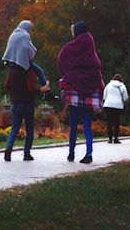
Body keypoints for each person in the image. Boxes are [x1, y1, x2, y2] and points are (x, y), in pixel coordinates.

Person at [57, 21, 104, 164]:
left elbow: (60, 60)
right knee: (87, 127)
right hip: (90, 95)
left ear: (76, 31)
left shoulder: (70, 48)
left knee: (73, 127)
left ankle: (71, 153)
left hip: (74, 93)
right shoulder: (91, 49)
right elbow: (97, 68)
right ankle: (89, 154)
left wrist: (67, 76)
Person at [3, 62, 50, 161]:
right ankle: (26, 153)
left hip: (15, 102)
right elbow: (30, 87)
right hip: (27, 103)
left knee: (14, 128)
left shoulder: (13, 69)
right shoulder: (29, 69)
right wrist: (41, 90)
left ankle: (8, 148)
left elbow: (6, 85)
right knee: (29, 129)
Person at [2, 20, 58, 101]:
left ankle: (46, 92)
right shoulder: (24, 35)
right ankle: (48, 92)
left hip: (11, 62)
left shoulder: (13, 34)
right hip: (20, 62)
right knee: (39, 71)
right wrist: (32, 54)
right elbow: (28, 48)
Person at [103, 74, 129, 144]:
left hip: (108, 105)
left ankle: (110, 138)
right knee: (116, 122)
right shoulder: (122, 86)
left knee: (109, 122)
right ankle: (116, 139)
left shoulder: (108, 85)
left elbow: (104, 96)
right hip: (118, 106)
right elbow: (126, 97)